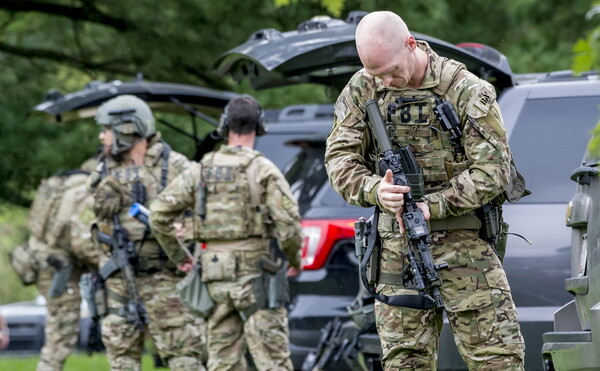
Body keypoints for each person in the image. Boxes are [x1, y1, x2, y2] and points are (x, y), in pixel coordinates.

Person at [324, 11, 525, 371]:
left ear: (411, 44)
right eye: (375, 73)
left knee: (498, 360)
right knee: (404, 363)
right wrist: (375, 189)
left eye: (390, 70)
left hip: (464, 248)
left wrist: (436, 204)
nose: (386, 80)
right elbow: (339, 159)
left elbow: (494, 170)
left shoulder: (465, 89)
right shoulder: (362, 88)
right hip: (397, 250)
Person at [150, 95, 303, 371]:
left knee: (222, 361)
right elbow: (288, 223)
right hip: (256, 278)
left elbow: (158, 214)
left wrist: (180, 257)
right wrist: (294, 260)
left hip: (214, 277)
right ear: (259, 126)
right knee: (273, 360)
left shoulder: (200, 170)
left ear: (224, 126)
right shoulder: (263, 170)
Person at [89, 94, 206, 371]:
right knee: (121, 361)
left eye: (106, 130)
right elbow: (83, 225)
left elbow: (211, 214)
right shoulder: (103, 171)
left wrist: (185, 231)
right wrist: (98, 216)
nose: (101, 137)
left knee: (185, 358)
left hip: (165, 280)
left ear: (127, 130)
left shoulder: (177, 167)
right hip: (120, 282)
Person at [18, 156, 100, 371]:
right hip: (59, 269)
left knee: (57, 330)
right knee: (60, 338)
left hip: (39, 259)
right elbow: (81, 243)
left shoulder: (60, 185)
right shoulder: (82, 194)